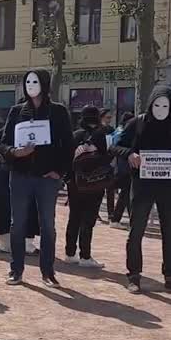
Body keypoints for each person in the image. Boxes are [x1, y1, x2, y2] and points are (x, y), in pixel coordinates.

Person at [110, 86, 171, 295]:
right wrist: (130, 154)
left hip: (169, 187)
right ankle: (134, 275)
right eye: (157, 105)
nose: (160, 109)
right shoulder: (137, 123)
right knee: (136, 230)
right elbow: (114, 145)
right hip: (142, 186)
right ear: (150, 104)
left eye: (165, 105)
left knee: (169, 233)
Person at [0, 69, 74, 287]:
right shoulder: (16, 111)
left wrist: (59, 171)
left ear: (44, 84)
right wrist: (15, 152)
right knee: (18, 224)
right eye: (27, 81)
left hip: (47, 178)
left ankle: (48, 271)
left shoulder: (58, 112)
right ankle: (16, 269)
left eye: (35, 81)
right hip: (20, 176)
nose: (30, 85)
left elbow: (68, 145)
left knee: (47, 226)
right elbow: (3, 144)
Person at [63, 106, 110, 268]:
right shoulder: (100, 134)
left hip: (74, 183)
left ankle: (70, 253)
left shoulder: (75, 135)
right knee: (88, 219)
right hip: (94, 184)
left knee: (74, 217)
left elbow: (67, 160)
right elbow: (106, 159)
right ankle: (85, 255)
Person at [108, 111, 135, 229]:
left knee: (126, 193)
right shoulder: (123, 133)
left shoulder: (117, 131)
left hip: (120, 166)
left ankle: (125, 218)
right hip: (124, 166)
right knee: (126, 193)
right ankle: (116, 218)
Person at [99, 108, 116, 222]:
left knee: (110, 190)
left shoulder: (112, 130)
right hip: (99, 164)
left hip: (110, 164)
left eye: (111, 117)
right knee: (98, 190)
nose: (110, 120)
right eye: (108, 117)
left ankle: (111, 214)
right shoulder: (97, 130)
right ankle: (95, 212)